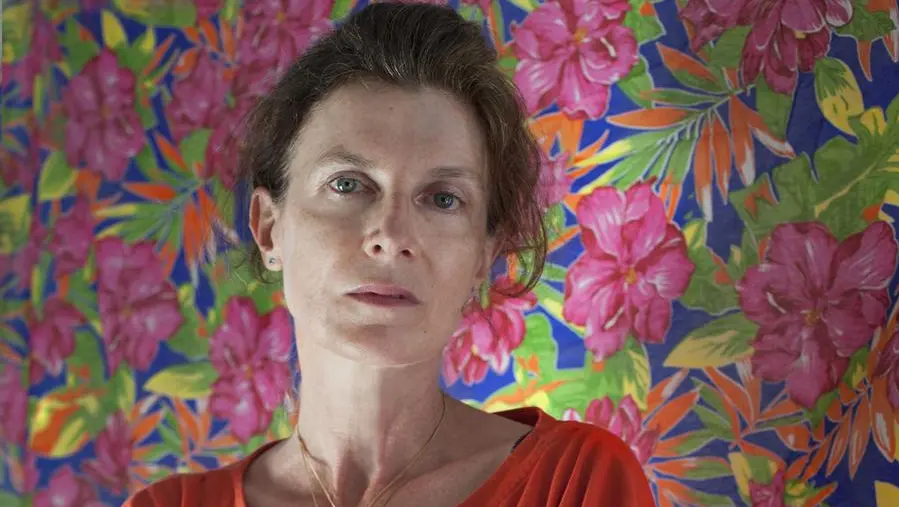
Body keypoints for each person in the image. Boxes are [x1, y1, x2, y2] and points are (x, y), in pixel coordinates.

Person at [125, 3, 654, 506]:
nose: (390, 235)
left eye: (443, 199)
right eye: (347, 184)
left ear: (482, 255)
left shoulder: (575, 482)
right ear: (269, 230)